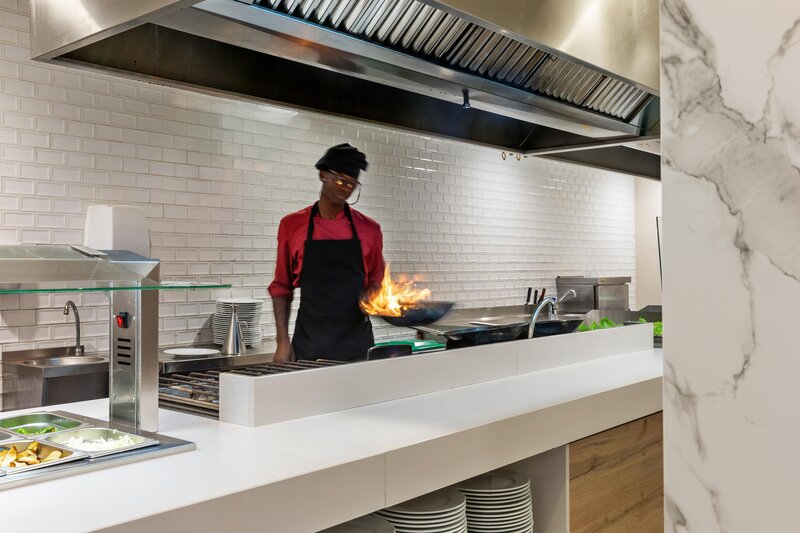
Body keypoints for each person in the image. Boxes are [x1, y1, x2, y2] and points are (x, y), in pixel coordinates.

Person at [268, 144, 385, 363]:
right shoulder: (292, 225)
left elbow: (376, 282)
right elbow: (282, 287)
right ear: (323, 175)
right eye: (340, 180)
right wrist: (282, 341)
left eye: (352, 184)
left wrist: (372, 296)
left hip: (357, 349)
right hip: (309, 347)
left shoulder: (370, 229)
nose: (345, 188)